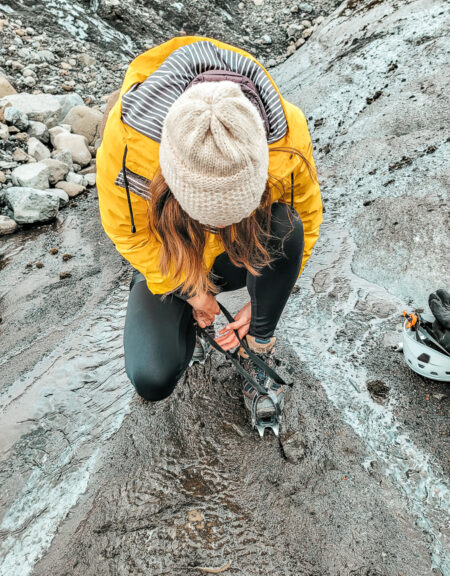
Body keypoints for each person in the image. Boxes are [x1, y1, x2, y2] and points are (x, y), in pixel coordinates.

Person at [96, 36, 323, 432]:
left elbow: (305, 217)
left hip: (240, 252)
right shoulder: (130, 142)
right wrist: (191, 290)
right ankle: (188, 321)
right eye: (208, 218)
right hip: (171, 252)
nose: (215, 228)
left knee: (285, 226)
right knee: (153, 375)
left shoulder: (285, 135)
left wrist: (260, 313)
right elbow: (127, 233)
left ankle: (261, 346)